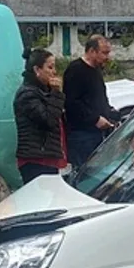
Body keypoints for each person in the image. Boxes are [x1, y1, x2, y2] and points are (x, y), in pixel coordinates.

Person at [63, 34, 121, 167]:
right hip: (82, 135)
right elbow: (72, 103)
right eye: (104, 53)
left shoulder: (96, 70)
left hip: (97, 133)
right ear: (91, 51)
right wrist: (95, 119)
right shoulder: (76, 70)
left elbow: (97, 98)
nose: (107, 57)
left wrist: (110, 112)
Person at [14, 48, 68, 184]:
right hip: (36, 160)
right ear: (37, 70)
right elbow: (48, 120)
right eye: (50, 67)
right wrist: (56, 94)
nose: (54, 72)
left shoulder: (43, 91)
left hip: (48, 157)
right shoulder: (27, 94)